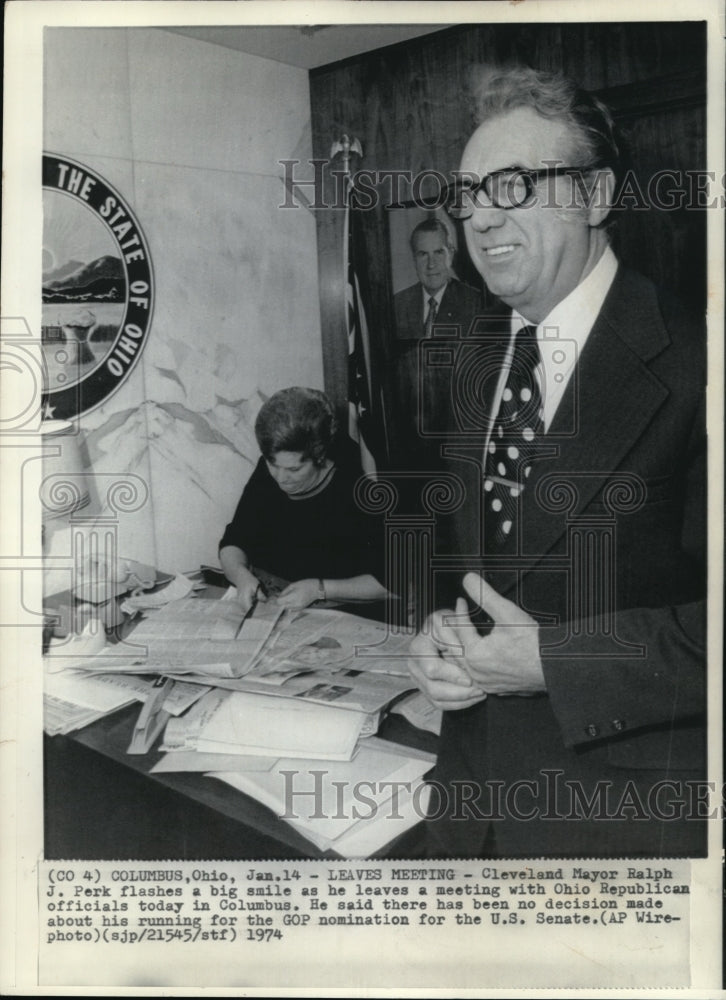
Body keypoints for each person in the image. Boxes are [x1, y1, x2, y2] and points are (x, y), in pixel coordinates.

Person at [407, 66, 706, 858]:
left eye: (514, 186)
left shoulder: (696, 361)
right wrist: (440, 634)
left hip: (620, 826)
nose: (479, 217)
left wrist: (552, 663)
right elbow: (477, 563)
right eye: (469, 193)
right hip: (470, 808)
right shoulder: (469, 351)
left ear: (596, 196)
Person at [219, 386, 387, 612]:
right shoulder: (274, 467)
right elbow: (235, 540)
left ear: (321, 456)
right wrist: (242, 577)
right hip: (277, 601)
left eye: (294, 470)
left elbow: (392, 584)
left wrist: (320, 589)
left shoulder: (360, 481)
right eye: (272, 465)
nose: (280, 478)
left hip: (346, 610)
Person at [393, 218, 484, 470]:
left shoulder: (476, 305)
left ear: (451, 253)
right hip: (409, 446)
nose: (431, 264)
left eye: (438, 252)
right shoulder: (396, 306)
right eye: (423, 254)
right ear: (413, 258)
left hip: (459, 442)